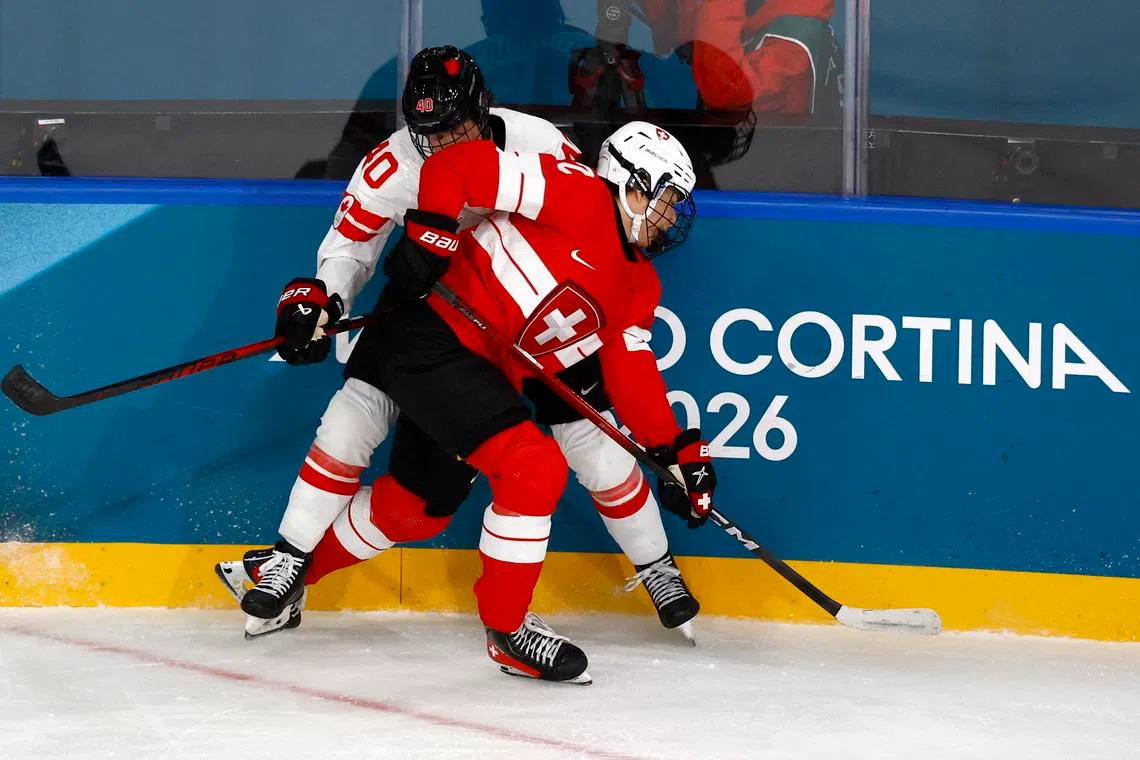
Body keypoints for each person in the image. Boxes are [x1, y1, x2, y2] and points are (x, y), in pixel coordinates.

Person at [217, 47, 702, 645]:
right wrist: (325, 300)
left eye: (455, 128)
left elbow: (590, 230)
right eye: (428, 133)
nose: (441, 142)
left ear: (482, 108)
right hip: (431, 304)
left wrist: (676, 447)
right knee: (353, 424)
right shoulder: (390, 165)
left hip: (533, 329)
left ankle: (655, 567)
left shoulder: (539, 141)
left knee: (585, 455)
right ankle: (289, 558)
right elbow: (350, 248)